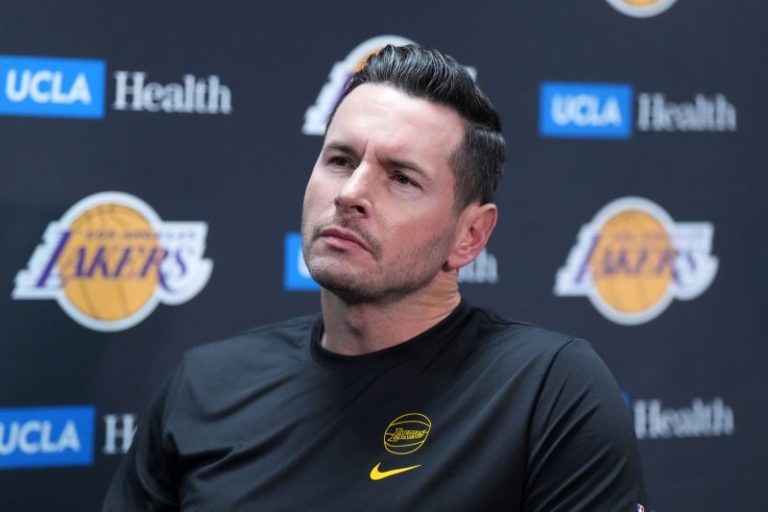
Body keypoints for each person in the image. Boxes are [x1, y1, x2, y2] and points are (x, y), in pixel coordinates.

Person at [104, 44, 647, 511]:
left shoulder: (548, 391)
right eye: (340, 160)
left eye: (402, 178)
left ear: (470, 236)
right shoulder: (204, 385)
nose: (350, 194)